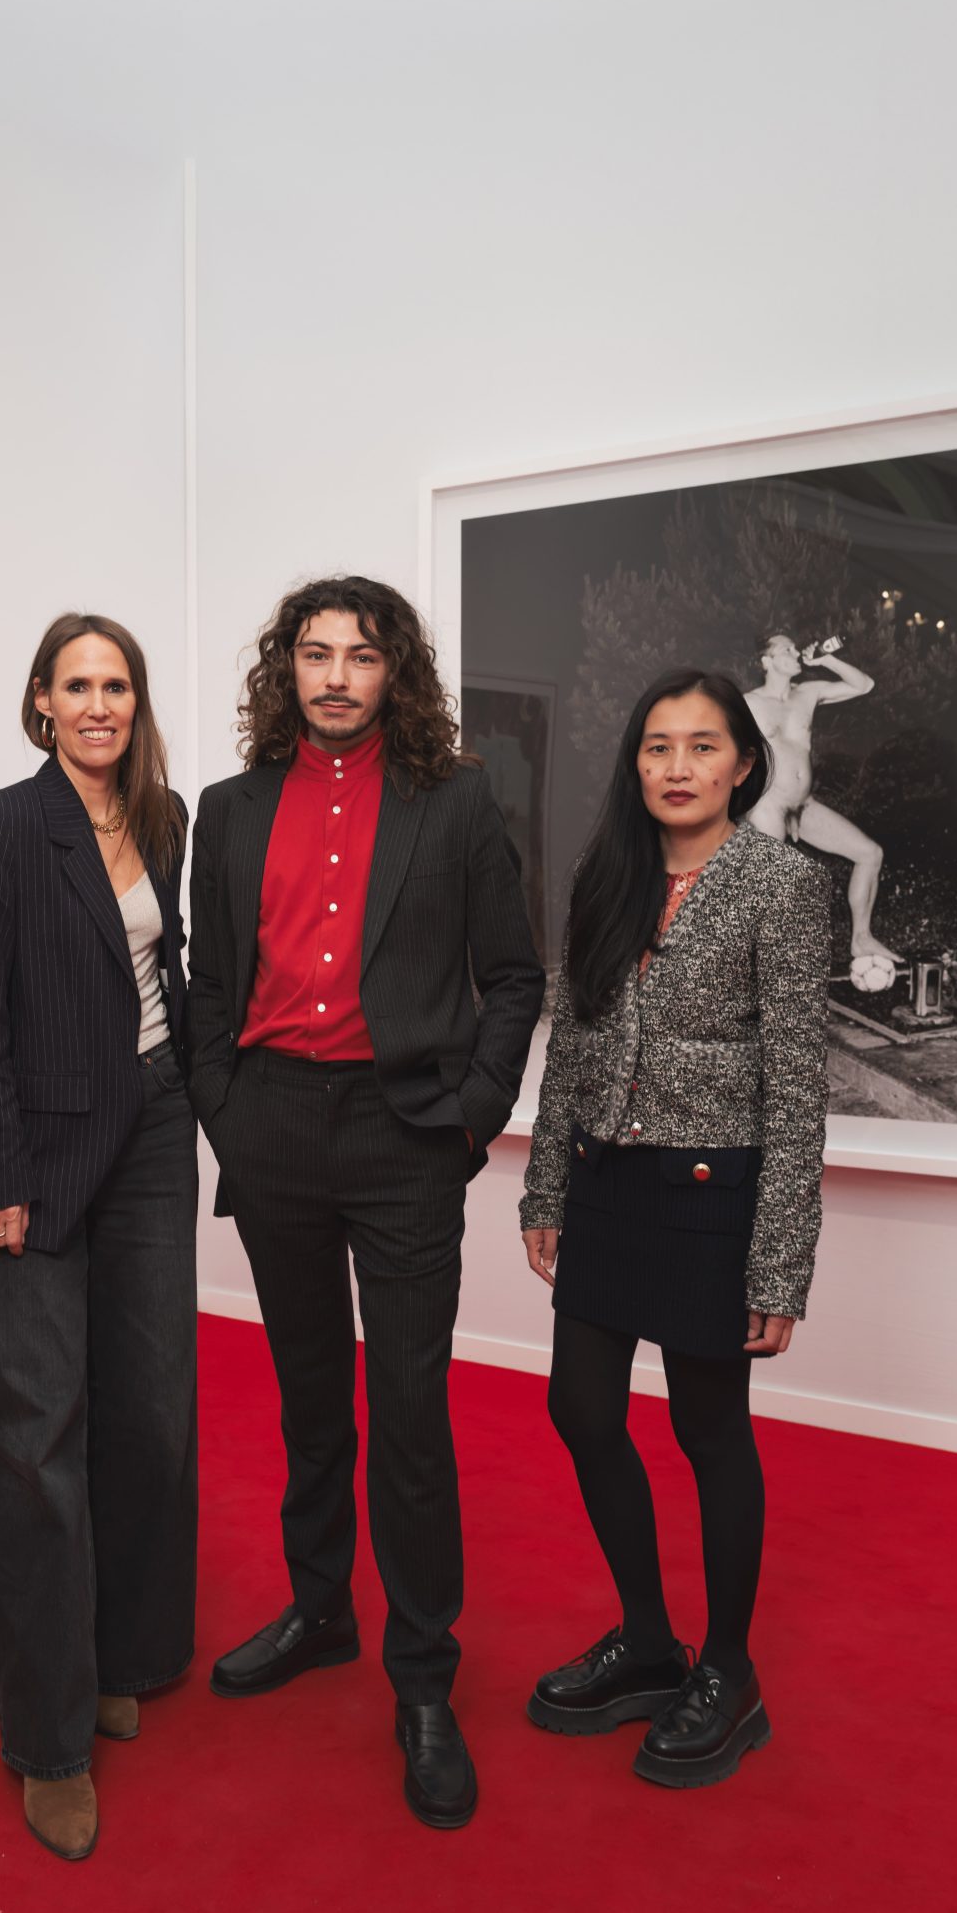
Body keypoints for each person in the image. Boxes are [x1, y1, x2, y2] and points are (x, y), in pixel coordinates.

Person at [188, 576, 543, 1829]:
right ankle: (320, 1609)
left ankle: (424, 1677)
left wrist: (468, 1114)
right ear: (285, 668)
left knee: (406, 1407)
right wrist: (222, 1100)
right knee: (305, 1396)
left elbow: (512, 974)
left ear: (398, 673)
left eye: (362, 656)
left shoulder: (454, 803)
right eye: (315, 654)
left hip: (404, 1135)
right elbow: (205, 976)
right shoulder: (226, 810)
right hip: (272, 1121)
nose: (336, 675)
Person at [520, 669, 830, 1788]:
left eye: (702, 745)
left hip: (713, 1190)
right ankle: (649, 1641)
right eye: (657, 745)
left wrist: (780, 1261)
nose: (677, 765)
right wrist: (545, 1188)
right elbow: (570, 1048)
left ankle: (729, 1668)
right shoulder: (605, 874)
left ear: (742, 763)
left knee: (709, 1430)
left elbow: (798, 1085)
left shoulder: (780, 886)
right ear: (635, 762)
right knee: (579, 1404)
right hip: (606, 1179)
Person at [0, 613, 196, 1864]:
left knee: (151, 1407)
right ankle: (48, 1739)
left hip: (152, 1125)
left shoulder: (164, 816)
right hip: (36, 1146)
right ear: (40, 700)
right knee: (36, 1431)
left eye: (118, 684)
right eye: (77, 685)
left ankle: (123, 1655)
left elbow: (164, 970)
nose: (98, 703)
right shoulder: (0, 826)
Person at [744, 632, 897, 963]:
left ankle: (861, 940)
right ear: (767, 662)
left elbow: (864, 685)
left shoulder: (808, 693)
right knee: (770, 886)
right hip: (768, 803)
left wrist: (825, 661)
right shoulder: (748, 704)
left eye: (795, 647)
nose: (796, 651)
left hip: (804, 805)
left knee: (869, 854)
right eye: (787, 649)